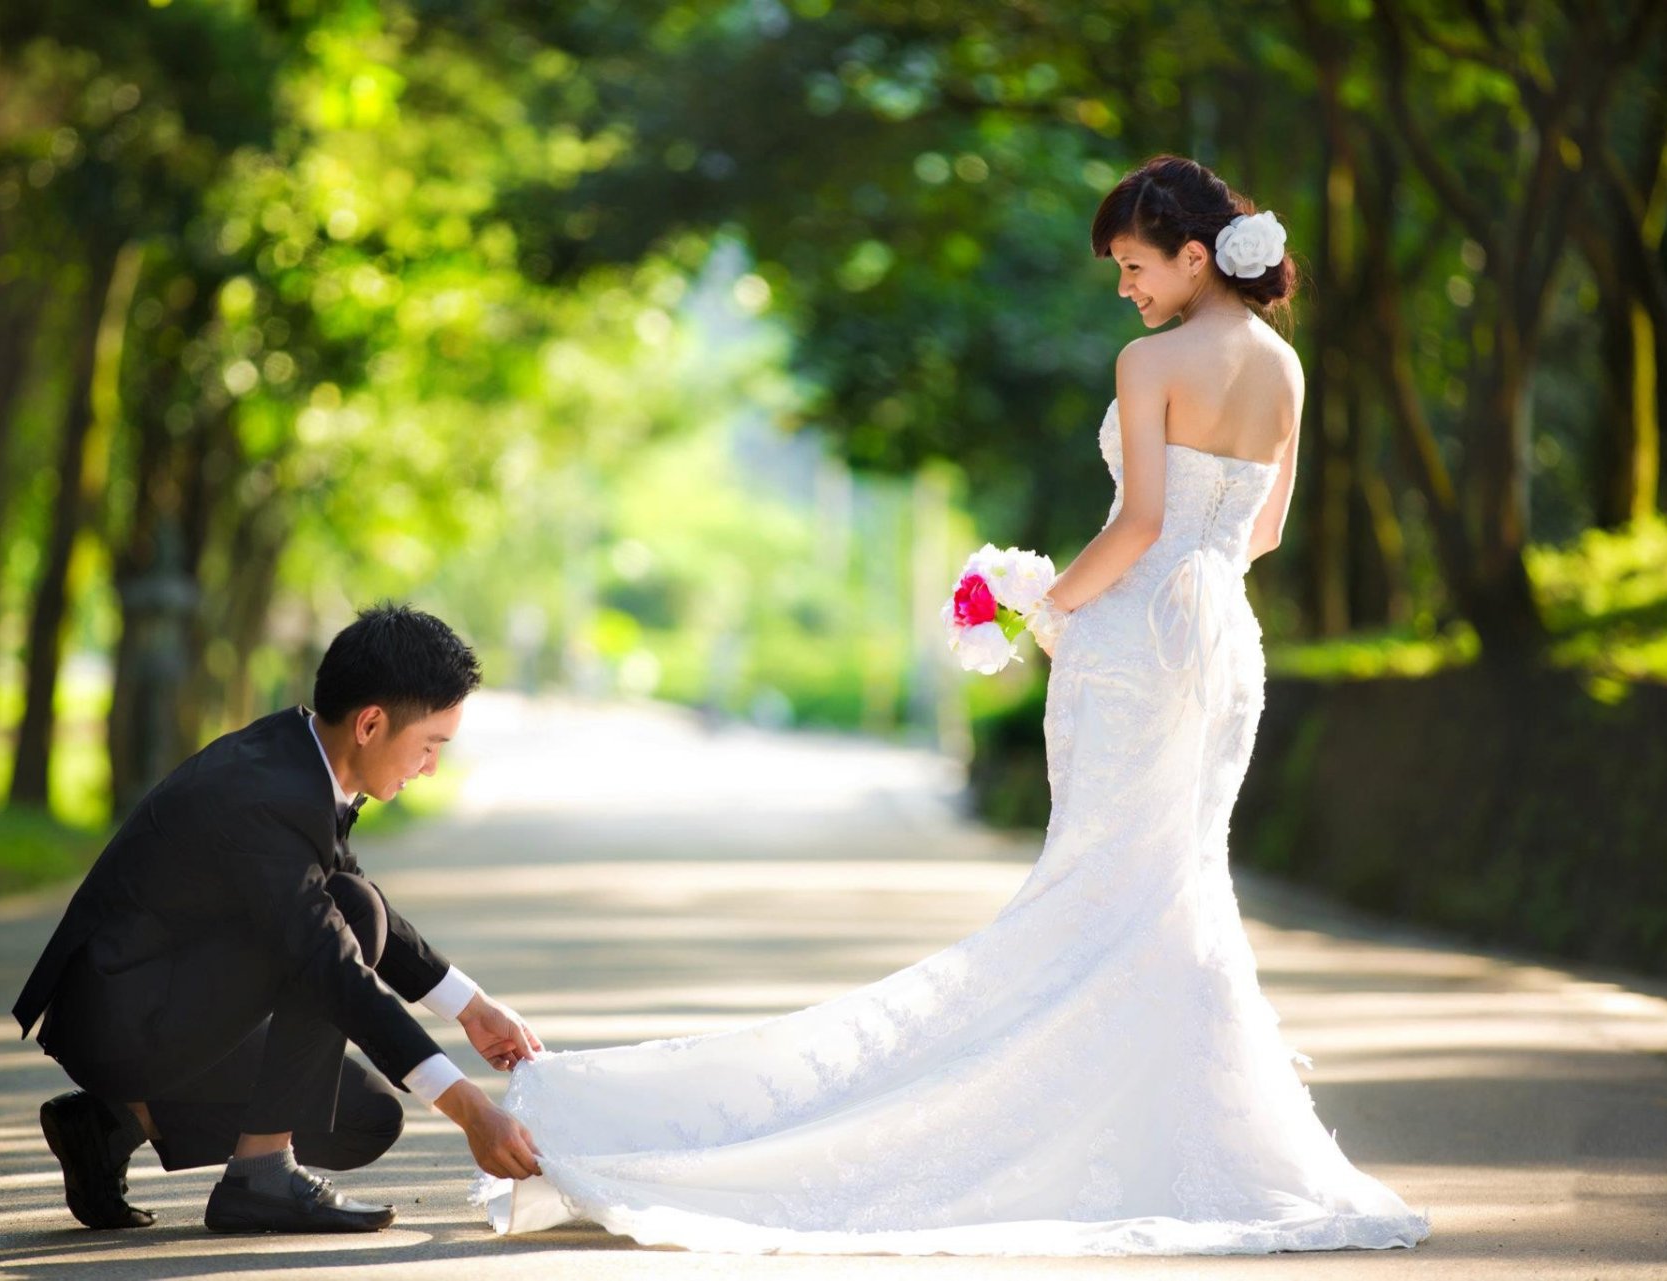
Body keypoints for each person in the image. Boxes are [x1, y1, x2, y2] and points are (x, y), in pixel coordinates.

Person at [472, 155, 1433, 1256]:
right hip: (1223, 645)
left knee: (1093, 877)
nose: (1124, 287)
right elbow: (1259, 534)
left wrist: (1041, 607)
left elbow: (1137, 524)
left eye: (1132, 265)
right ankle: (1190, 1124)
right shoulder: (1283, 369)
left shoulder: (1152, 362)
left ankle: (1070, 1113)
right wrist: (1173, 589)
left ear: (1195, 256)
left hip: (1132, 640)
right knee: (1174, 877)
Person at [13, 602, 543, 1234]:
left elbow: (347, 891)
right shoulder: (268, 796)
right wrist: (471, 1111)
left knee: (364, 1118)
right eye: (430, 745)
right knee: (350, 920)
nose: (430, 766)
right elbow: (331, 960)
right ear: (371, 724)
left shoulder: (301, 757)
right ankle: (259, 1180)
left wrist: (471, 1006)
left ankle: (113, 1125)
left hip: (173, 1002)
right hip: (127, 1017)